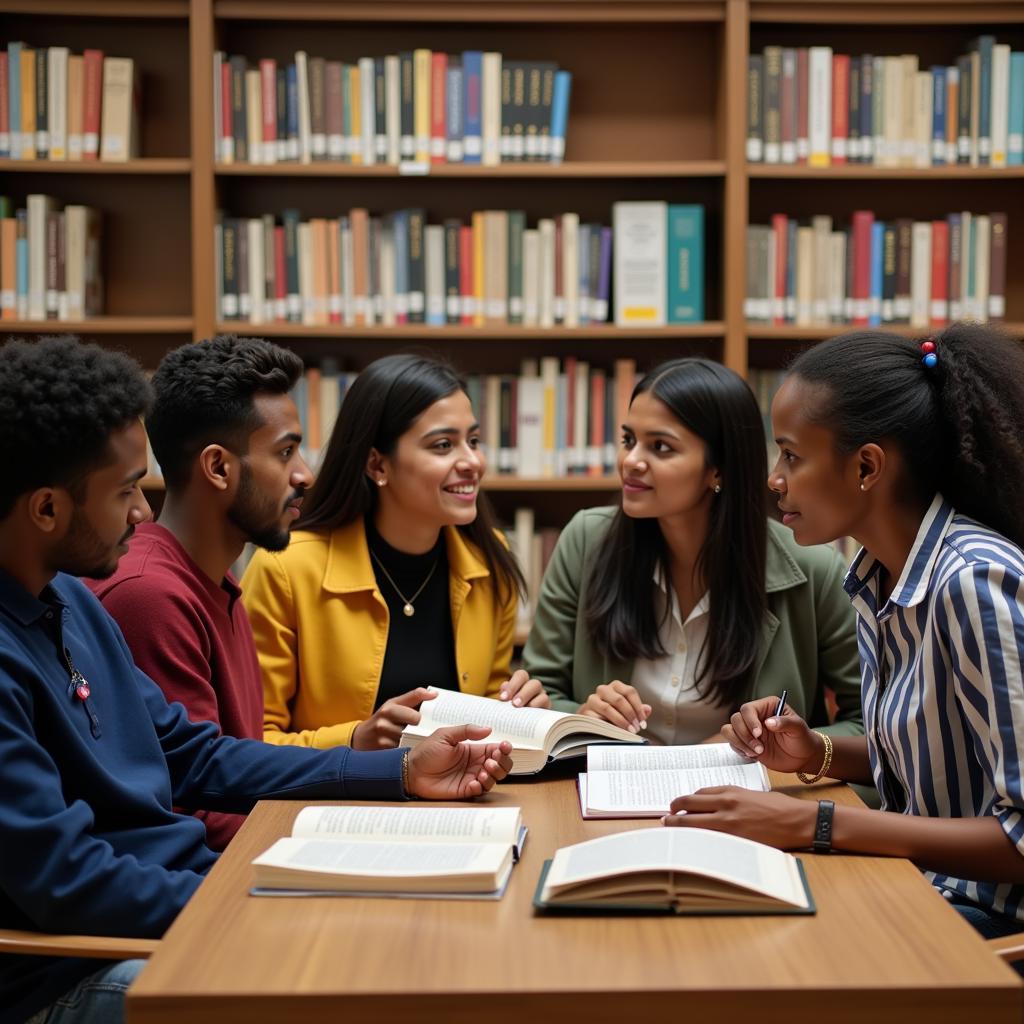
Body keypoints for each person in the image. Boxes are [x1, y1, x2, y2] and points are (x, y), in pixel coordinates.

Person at [0, 337, 513, 1024]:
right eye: (125, 491)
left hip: (179, 908)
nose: (142, 514)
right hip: (88, 967)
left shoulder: (76, 600)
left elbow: (193, 753)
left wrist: (396, 772)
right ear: (45, 510)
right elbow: (65, 880)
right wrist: (261, 891)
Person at [664, 324, 1024, 945]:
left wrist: (814, 822)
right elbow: (939, 754)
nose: (774, 479)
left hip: (983, 924)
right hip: (915, 883)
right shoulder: (878, 577)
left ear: (866, 467)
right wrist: (815, 753)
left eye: (792, 456)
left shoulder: (973, 582)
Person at [523, 357, 863, 743]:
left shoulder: (814, 569)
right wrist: (583, 717)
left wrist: (777, 747)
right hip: (609, 792)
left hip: (751, 797)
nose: (631, 461)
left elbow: (869, 726)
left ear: (717, 469)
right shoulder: (586, 540)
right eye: (628, 440)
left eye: (661, 447)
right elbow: (541, 692)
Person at [242, 353, 547, 753]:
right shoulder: (284, 570)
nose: (473, 461)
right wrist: (354, 741)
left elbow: (488, 704)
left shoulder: (488, 560)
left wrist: (518, 712)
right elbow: (250, 743)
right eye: (443, 445)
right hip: (331, 808)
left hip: (460, 801)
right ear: (376, 464)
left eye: (473, 441)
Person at [86, 335, 314, 850]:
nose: (304, 474)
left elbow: (240, 767)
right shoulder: (149, 595)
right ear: (218, 467)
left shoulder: (217, 581)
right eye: (286, 452)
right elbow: (195, 809)